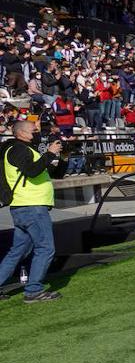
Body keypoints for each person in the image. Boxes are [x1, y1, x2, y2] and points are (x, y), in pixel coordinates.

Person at [0, 119, 64, 302]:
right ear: (21, 133)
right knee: (45, 248)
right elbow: (32, 171)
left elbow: (46, 172)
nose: (36, 131)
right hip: (31, 206)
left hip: (25, 206)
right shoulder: (19, 149)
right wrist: (49, 154)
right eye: (33, 130)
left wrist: (58, 156)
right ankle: (34, 290)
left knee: (18, 250)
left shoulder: (19, 149)